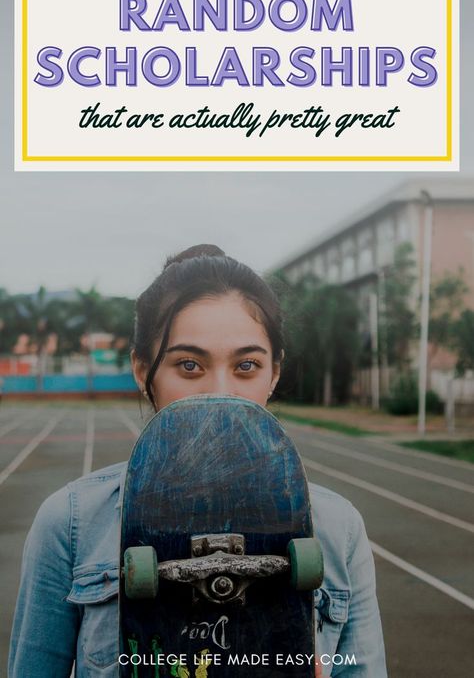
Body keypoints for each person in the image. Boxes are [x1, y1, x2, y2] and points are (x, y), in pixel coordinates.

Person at [8, 245, 387, 678]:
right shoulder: (70, 523)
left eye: (246, 365)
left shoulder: (339, 528)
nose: (220, 390)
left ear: (274, 373)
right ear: (142, 370)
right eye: (189, 365)